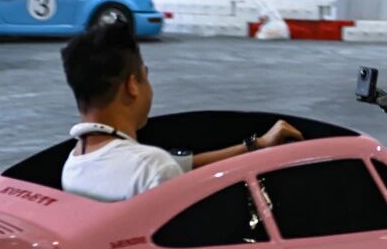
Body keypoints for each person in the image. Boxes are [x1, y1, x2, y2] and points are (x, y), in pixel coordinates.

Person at [59, 21, 301, 201]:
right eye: (145, 76)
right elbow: (161, 169)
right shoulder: (150, 167)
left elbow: (178, 166)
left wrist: (257, 145)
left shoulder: (74, 165)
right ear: (132, 85)